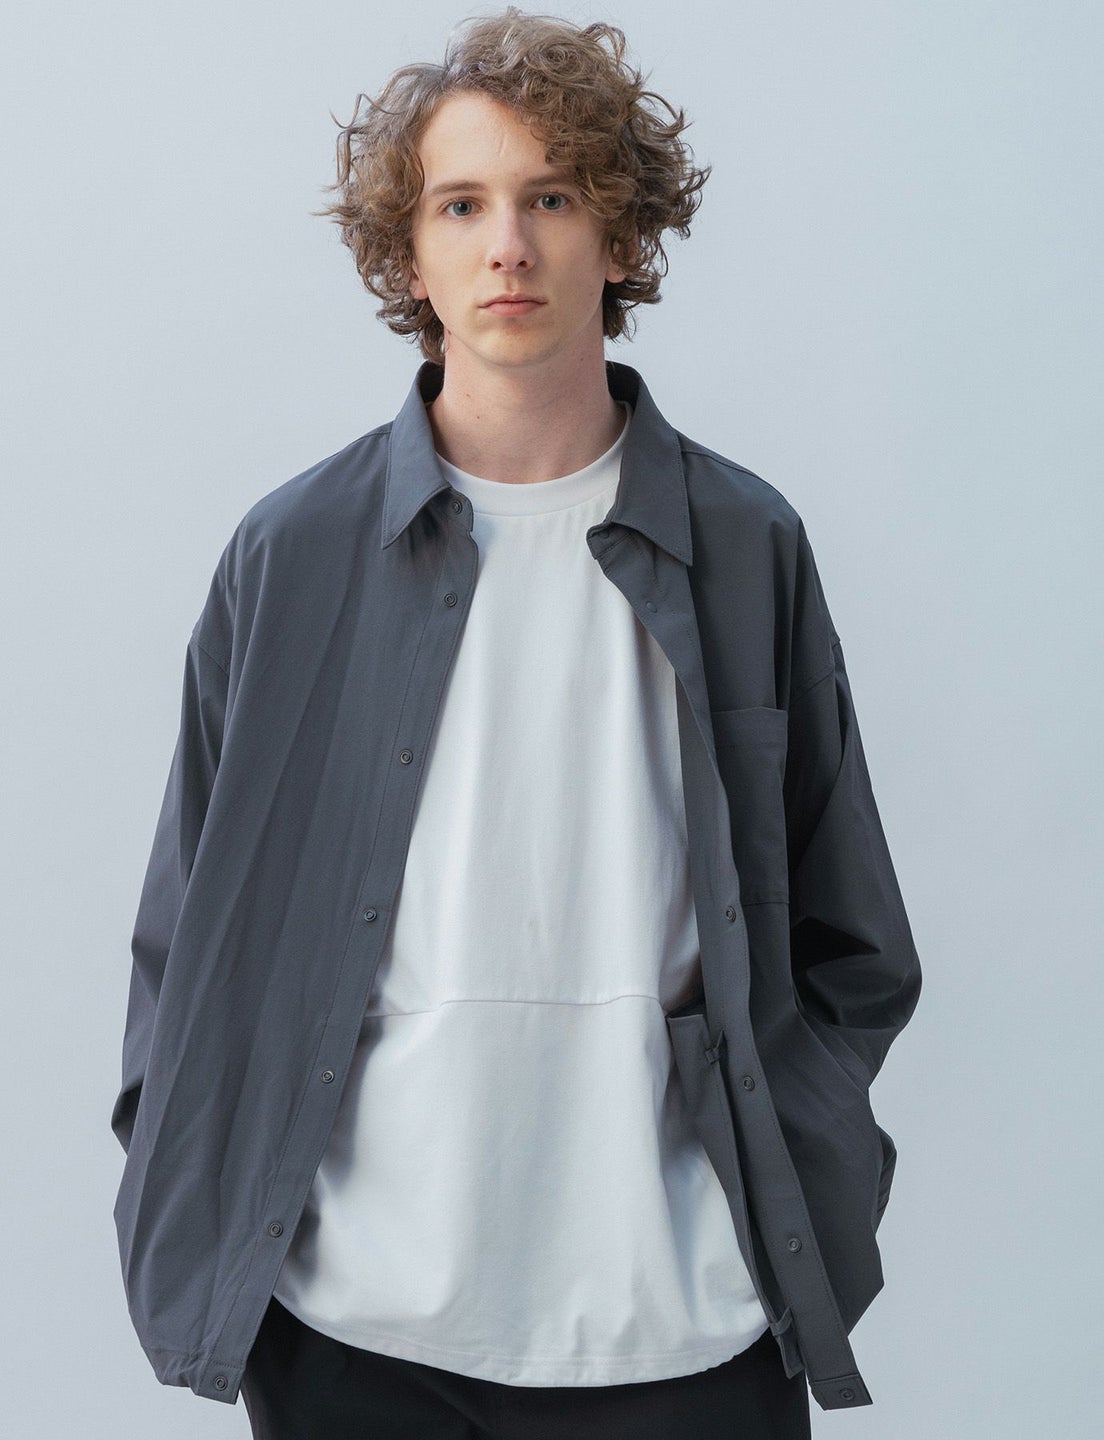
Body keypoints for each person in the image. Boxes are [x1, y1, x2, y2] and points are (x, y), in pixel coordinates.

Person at [109, 9, 922, 1439]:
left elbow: (850, 935)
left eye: (552, 198)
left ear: (620, 235)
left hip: (689, 1315)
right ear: (407, 254)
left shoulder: (744, 544)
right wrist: (197, 1183)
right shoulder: (293, 554)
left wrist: (796, 1140)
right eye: (461, 205)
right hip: (357, 1325)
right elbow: (190, 943)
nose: (509, 248)